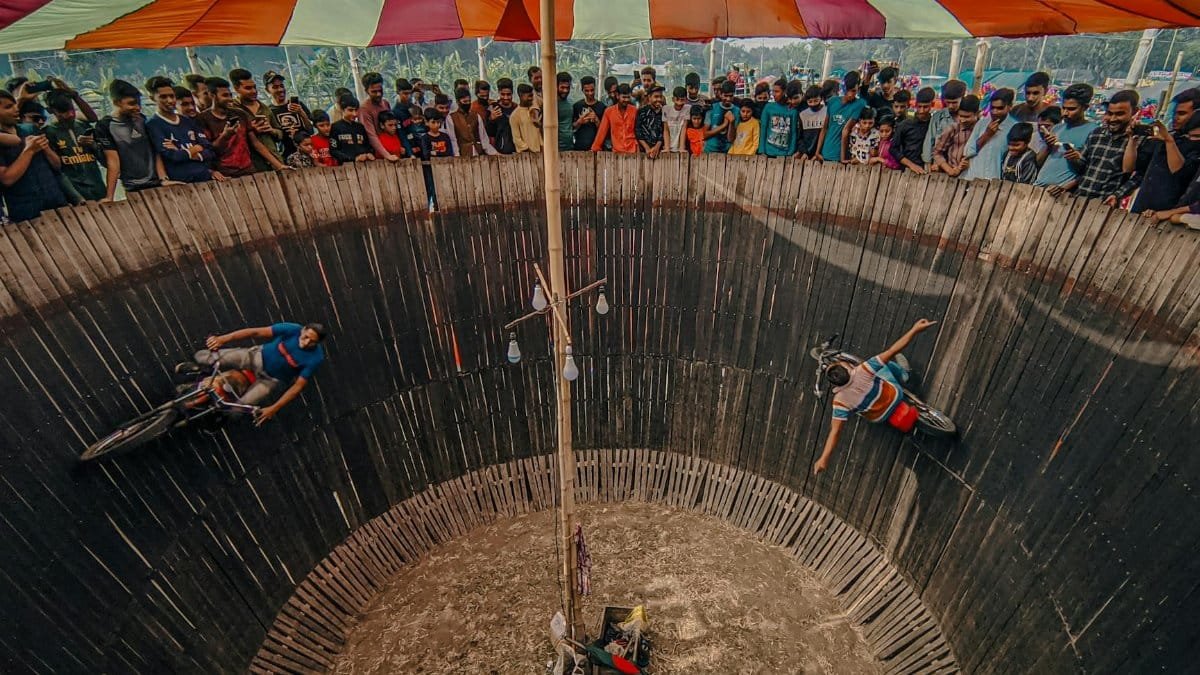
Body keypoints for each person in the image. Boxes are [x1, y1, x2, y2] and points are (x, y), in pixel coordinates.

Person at [812, 319, 938, 476]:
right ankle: (904, 374)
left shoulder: (839, 400)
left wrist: (824, 459)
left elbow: (835, 432)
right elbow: (893, 349)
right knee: (885, 366)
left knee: (856, 410)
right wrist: (914, 330)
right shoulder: (863, 370)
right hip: (895, 396)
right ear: (847, 367)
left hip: (880, 417)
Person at [178, 322, 327, 425]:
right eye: (305, 337)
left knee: (236, 411)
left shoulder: (315, 358)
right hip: (256, 357)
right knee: (202, 357)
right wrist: (222, 339)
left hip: (270, 380)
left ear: (318, 343)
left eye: (312, 342)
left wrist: (273, 409)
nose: (306, 343)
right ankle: (200, 372)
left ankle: (214, 419)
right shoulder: (292, 329)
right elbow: (255, 332)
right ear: (303, 330)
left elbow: (298, 387)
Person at [1125, 89, 1200, 213]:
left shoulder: (1194, 145)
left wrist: (1169, 142)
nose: (1176, 118)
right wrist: (1132, 140)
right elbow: (1129, 168)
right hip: (1140, 210)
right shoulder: (1165, 138)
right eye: (1175, 113)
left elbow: (1179, 173)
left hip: (1167, 218)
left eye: (1182, 113)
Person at [0, 88, 69, 221]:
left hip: (56, 202)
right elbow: (7, 179)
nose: (16, 109)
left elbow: (57, 165)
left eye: (15, 104)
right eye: (8, 107)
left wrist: (46, 148)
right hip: (26, 212)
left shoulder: (30, 129)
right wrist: (29, 151)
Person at [198, 76, 286, 176]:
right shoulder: (202, 119)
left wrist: (279, 165)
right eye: (225, 95)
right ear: (212, 95)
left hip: (248, 170)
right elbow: (209, 150)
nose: (229, 98)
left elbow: (256, 143)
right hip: (225, 174)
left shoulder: (239, 114)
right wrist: (225, 136)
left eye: (230, 95)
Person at [94, 79, 164, 201]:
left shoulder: (142, 120)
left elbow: (156, 150)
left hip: (158, 184)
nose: (137, 108)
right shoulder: (105, 125)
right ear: (117, 102)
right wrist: (110, 196)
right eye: (131, 104)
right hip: (133, 188)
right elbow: (113, 161)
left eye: (139, 103)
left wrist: (164, 179)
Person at [144, 76, 222, 184]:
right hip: (181, 184)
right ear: (152, 98)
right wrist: (194, 149)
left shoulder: (188, 121)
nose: (170, 100)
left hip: (206, 178)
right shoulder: (153, 125)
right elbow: (172, 156)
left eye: (172, 96)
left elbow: (209, 150)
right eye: (163, 97)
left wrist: (186, 153)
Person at [1071, 90, 1138, 205]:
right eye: (1110, 113)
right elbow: (1083, 168)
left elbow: (1138, 177)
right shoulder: (1096, 134)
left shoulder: (1139, 141)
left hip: (1105, 206)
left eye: (1119, 114)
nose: (1112, 119)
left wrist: (1117, 195)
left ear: (1134, 112)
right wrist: (1075, 158)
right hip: (1079, 199)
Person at [42, 90, 105, 201]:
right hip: (75, 195)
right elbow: (58, 172)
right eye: (63, 112)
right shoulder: (48, 133)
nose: (70, 115)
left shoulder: (84, 126)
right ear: (50, 111)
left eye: (71, 110)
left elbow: (104, 160)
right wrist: (76, 197)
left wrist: (93, 145)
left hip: (98, 189)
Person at [1036, 84, 1096, 193]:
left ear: (1085, 108)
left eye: (1071, 109)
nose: (1065, 113)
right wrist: (1048, 146)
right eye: (1063, 108)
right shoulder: (1057, 128)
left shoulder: (1094, 132)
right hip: (1038, 186)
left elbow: (1092, 171)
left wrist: (1065, 187)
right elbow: (1038, 162)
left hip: (1061, 194)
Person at [229, 69, 285, 173]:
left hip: (276, 162)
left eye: (254, 87)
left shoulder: (265, 108)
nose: (254, 91)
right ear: (236, 89)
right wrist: (251, 130)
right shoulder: (233, 110)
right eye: (248, 88)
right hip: (252, 167)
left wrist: (271, 130)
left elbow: (280, 133)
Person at [961, 88, 1016, 180]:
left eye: (1000, 108)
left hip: (995, 182)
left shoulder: (1014, 127)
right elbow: (968, 151)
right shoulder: (982, 124)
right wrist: (986, 135)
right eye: (992, 108)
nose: (995, 112)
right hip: (973, 178)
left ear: (1010, 106)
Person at [818, 71, 867, 163]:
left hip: (841, 154)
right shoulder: (832, 102)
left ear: (858, 90)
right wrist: (817, 152)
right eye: (848, 90)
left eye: (853, 91)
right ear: (844, 87)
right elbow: (824, 128)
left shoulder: (859, 104)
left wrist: (842, 158)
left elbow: (846, 131)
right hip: (825, 152)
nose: (850, 94)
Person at [264, 70, 312, 159]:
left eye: (281, 86)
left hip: (308, 154)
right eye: (275, 87)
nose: (280, 90)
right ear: (267, 90)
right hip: (286, 156)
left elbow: (310, 130)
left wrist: (301, 113)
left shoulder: (298, 105)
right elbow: (274, 138)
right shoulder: (269, 111)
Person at [932, 94, 981, 177]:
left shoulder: (983, 130)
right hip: (954, 176)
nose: (963, 120)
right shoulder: (953, 129)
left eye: (967, 117)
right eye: (961, 116)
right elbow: (937, 153)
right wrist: (949, 170)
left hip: (975, 175)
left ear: (977, 113)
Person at [890, 87, 935, 174]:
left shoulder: (934, 124)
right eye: (919, 106)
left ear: (932, 105)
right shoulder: (905, 124)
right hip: (907, 170)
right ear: (915, 105)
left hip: (929, 171)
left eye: (925, 107)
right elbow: (893, 149)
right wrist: (911, 165)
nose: (921, 111)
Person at [923, 79, 966, 168]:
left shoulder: (969, 119)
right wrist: (927, 164)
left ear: (962, 98)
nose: (950, 106)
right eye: (948, 102)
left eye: (954, 102)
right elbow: (929, 141)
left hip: (959, 167)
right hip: (937, 166)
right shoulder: (938, 117)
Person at [359, 72, 399, 161]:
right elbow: (371, 135)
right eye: (374, 91)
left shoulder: (385, 103)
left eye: (380, 90)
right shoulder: (364, 109)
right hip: (377, 154)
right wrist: (387, 155)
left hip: (392, 147)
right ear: (366, 91)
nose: (378, 94)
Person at [591, 84, 638, 153]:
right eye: (624, 97)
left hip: (633, 151)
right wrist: (595, 148)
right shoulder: (609, 111)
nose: (626, 100)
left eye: (628, 97)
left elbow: (638, 132)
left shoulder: (634, 110)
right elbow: (602, 131)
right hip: (617, 152)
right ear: (617, 96)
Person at [758, 80, 800, 158]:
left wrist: (791, 151)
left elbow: (793, 132)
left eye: (777, 91)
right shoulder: (768, 107)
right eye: (773, 91)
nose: (774, 94)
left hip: (785, 154)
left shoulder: (793, 110)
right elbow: (763, 129)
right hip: (768, 152)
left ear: (784, 92)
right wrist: (762, 150)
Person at [329, 95, 374, 164]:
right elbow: (334, 151)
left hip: (365, 165)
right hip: (345, 168)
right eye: (350, 110)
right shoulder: (336, 127)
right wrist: (353, 159)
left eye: (356, 110)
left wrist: (369, 154)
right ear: (342, 109)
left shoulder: (360, 127)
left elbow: (368, 146)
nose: (354, 114)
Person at [572, 76, 606, 152]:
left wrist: (596, 120)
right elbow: (571, 128)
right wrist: (579, 122)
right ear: (582, 90)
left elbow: (605, 131)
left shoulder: (602, 107)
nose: (590, 93)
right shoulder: (577, 106)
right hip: (579, 148)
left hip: (597, 149)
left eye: (592, 90)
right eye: (587, 91)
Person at [704, 81, 738, 154]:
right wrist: (724, 125)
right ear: (721, 94)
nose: (728, 99)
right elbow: (704, 135)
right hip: (710, 151)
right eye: (725, 95)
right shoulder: (712, 108)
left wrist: (732, 122)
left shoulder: (737, 111)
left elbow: (731, 139)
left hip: (728, 152)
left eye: (731, 96)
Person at [635, 84, 668, 158]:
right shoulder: (642, 111)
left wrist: (657, 147)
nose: (659, 99)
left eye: (660, 97)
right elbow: (638, 131)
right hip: (643, 152)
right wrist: (647, 148)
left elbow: (664, 131)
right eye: (656, 97)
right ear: (649, 97)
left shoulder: (664, 112)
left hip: (660, 153)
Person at [511, 84, 542, 153]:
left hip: (539, 152)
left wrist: (542, 146)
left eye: (532, 96)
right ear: (520, 96)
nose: (531, 99)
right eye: (529, 96)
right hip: (525, 155)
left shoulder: (534, 110)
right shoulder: (515, 115)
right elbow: (517, 139)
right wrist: (528, 150)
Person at [798, 85, 826, 158]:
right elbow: (800, 136)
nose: (813, 104)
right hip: (806, 154)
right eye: (810, 102)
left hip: (821, 154)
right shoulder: (803, 115)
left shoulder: (827, 112)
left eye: (816, 101)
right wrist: (804, 152)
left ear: (821, 99)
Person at [662, 86, 690, 153]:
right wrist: (667, 147)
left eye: (682, 100)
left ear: (686, 100)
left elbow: (684, 128)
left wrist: (681, 147)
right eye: (677, 100)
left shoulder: (688, 108)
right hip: (669, 144)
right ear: (673, 99)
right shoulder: (666, 109)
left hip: (680, 146)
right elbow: (666, 129)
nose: (679, 103)